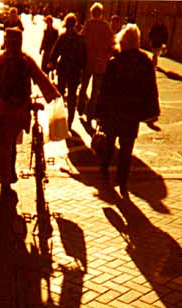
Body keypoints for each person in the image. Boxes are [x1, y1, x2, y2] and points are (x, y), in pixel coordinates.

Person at [0, 27, 59, 194]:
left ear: (6, 40)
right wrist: (54, 96)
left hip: (3, 108)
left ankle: (5, 179)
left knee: (2, 143)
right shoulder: (27, 60)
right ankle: (9, 175)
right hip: (21, 109)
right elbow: (41, 78)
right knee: (11, 142)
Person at [95, 23, 160, 197]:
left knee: (109, 143)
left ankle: (103, 173)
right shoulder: (145, 61)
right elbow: (151, 89)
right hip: (132, 113)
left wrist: (99, 112)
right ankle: (122, 182)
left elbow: (105, 90)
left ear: (122, 41)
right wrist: (152, 111)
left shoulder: (115, 62)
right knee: (126, 149)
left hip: (114, 112)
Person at [78, 2, 113, 129]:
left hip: (87, 62)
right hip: (100, 64)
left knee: (83, 87)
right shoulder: (106, 27)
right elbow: (111, 44)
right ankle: (90, 114)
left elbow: (81, 40)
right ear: (101, 13)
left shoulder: (88, 25)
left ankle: (80, 108)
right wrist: (105, 57)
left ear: (92, 13)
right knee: (95, 91)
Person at [48, 13, 86, 131]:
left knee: (60, 93)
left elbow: (55, 52)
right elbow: (83, 58)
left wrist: (51, 62)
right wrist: (82, 69)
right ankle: (70, 120)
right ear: (75, 24)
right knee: (72, 96)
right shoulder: (80, 39)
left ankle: (60, 119)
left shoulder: (63, 37)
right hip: (75, 70)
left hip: (63, 68)